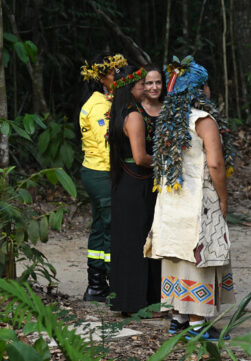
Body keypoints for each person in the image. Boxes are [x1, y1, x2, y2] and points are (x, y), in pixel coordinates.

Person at [144, 56, 235, 341]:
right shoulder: (203, 121)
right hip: (198, 199)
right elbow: (216, 164)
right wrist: (223, 197)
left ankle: (178, 319)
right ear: (200, 89)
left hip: (171, 202)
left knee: (175, 257)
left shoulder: (167, 121)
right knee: (199, 259)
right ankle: (198, 325)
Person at [108, 65, 162, 315]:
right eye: (141, 83)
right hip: (138, 184)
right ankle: (141, 302)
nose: (146, 87)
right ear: (131, 88)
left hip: (124, 185)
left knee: (126, 242)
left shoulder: (119, 113)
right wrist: (165, 160)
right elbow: (140, 157)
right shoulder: (135, 116)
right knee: (141, 242)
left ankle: (126, 300)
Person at [79, 53, 127, 302]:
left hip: (95, 171)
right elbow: (105, 144)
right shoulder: (99, 106)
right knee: (112, 226)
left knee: (100, 226)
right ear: (101, 77)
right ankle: (117, 286)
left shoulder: (105, 100)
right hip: (100, 172)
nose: (118, 77)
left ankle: (96, 286)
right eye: (114, 73)